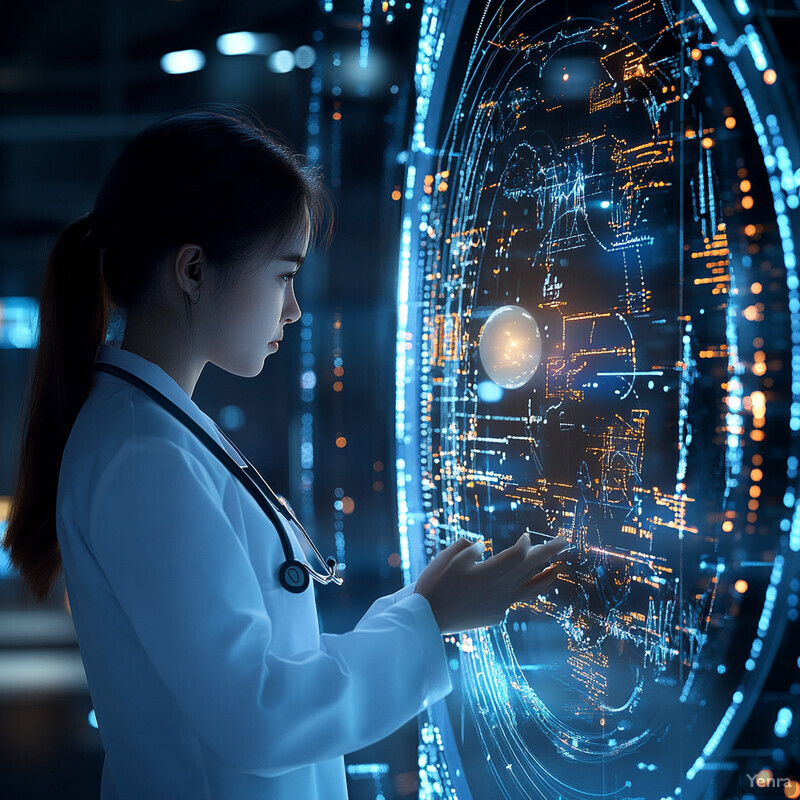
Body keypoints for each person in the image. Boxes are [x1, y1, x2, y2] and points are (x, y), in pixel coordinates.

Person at [3, 107, 567, 799]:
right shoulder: (145, 458)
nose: (294, 310)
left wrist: (412, 611)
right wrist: (430, 622)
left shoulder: (149, 434)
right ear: (193, 271)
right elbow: (258, 715)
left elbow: (258, 674)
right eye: (283, 274)